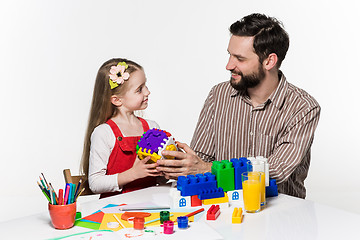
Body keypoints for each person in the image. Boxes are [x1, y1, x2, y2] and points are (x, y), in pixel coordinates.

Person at [156, 13, 321, 198]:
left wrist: (205, 168)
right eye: (229, 55)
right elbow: (200, 160)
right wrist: (176, 165)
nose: (228, 65)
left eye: (240, 59)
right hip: (222, 206)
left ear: (269, 61)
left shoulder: (303, 107)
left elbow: (276, 170)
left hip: (280, 211)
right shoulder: (218, 95)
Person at [80, 58, 162, 198]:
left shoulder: (152, 128)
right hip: (115, 212)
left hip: (150, 207)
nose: (147, 92)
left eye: (145, 85)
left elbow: (159, 179)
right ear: (117, 100)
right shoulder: (103, 133)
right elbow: (95, 183)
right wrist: (133, 173)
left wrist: (168, 168)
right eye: (139, 89)